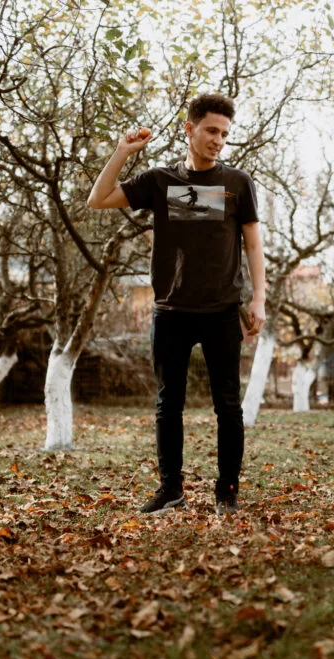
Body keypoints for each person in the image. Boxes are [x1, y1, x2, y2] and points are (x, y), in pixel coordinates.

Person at [87, 93, 267, 515]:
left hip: (222, 311)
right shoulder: (159, 181)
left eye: (224, 134)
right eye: (210, 131)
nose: (218, 140)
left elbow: (253, 244)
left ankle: (227, 491)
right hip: (171, 311)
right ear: (189, 129)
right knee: (168, 405)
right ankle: (171, 490)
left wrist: (259, 298)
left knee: (228, 406)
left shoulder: (238, 182)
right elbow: (99, 198)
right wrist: (122, 151)